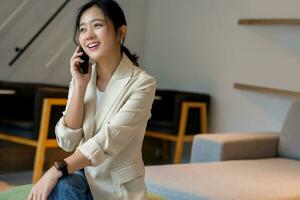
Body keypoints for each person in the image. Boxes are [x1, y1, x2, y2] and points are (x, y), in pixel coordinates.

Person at [27, 0, 156, 199]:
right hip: (82, 176)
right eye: (82, 29)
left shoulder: (142, 84)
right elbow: (67, 141)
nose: (88, 35)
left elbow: (107, 140)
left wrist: (56, 169)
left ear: (121, 32)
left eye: (97, 25)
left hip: (115, 187)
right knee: (62, 187)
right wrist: (80, 85)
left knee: (58, 181)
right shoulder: (82, 77)